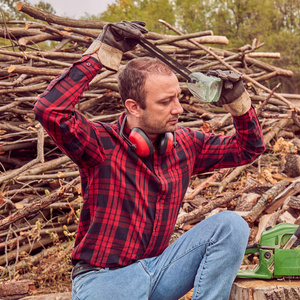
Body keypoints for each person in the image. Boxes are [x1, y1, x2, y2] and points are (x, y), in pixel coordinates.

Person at [34, 21, 265, 299]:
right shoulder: (99, 144)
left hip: (160, 271)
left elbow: (248, 148)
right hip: (105, 280)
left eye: (177, 98)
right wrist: (101, 53)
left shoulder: (186, 144)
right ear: (134, 107)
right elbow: (50, 110)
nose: (178, 109)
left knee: (232, 226)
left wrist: (239, 104)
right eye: (165, 102)